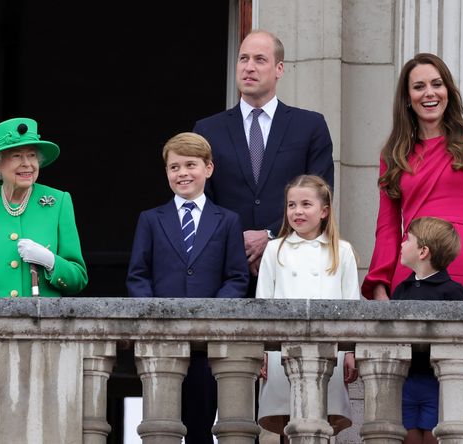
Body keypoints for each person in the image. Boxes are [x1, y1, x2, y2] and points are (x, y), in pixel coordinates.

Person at [361, 53, 463, 444]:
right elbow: (386, 227)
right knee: (412, 385)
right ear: (407, 98)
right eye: (419, 86)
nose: (429, 93)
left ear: (448, 90)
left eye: (436, 84)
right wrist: (380, 285)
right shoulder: (393, 154)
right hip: (409, 274)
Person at [0, 117, 88, 444]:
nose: (28, 164)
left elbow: (78, 277)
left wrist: (51, 261)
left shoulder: (58, 202)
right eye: (17, 156)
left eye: (32, 155)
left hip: (42, 347)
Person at [193, 29, 334, 295]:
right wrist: (237, 242)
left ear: (279, 69)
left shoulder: (310, 126)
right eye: (243, 59)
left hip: (292, 268)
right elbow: (200, 201)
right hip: (224, 273)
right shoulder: (208, 130)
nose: (249, 67)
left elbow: (321, 193)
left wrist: (270, 236)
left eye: (260, 59)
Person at [126, 132, 247, 442]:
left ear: (208, 168)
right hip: (162, 340)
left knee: (201, 426)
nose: (182, 173)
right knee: (160, 426)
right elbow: (138, 275)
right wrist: (154, 316)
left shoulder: (228, 220)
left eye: (190, 165)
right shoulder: (150, 219)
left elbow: (237, 278)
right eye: (174, 167)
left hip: (207, 344)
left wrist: (211, 314)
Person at [256, 174, 359, 438]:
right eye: (291, 205)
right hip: (281, 351)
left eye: (306, 204)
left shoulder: (342, 251)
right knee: (286, 420)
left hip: (329, 349)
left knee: (323, 419)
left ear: (324, 211)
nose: (297, 211)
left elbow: (352, 305)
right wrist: (262, 350)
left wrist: (350, 351)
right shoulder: (275, 249)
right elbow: (263, 303)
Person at [392, 217, 463, 444]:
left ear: (423, 251)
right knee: (407, 437)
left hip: (438, 383)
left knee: (434, 438)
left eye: (408, 239)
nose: (402, 244)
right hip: (405, 381)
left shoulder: (453, 292)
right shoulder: (401, 290)